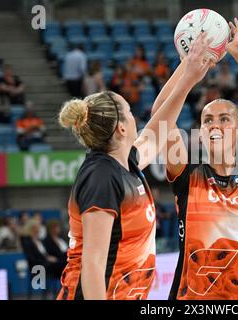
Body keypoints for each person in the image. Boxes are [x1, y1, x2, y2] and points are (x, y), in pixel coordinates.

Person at [56, 34, 215, 300]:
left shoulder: (125, 163)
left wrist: (188, 69)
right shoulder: (101, 176)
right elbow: (93, 266)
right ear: (120, 128)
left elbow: (161, 124)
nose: (135, 117)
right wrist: (188, 77)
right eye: (129, 112)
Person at [151, 19, 238, 300]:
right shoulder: (188, 174)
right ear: (200, 134)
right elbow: (159, 115)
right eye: (208, 120)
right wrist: (188, 68)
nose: (214, 125)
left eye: (224, 120)